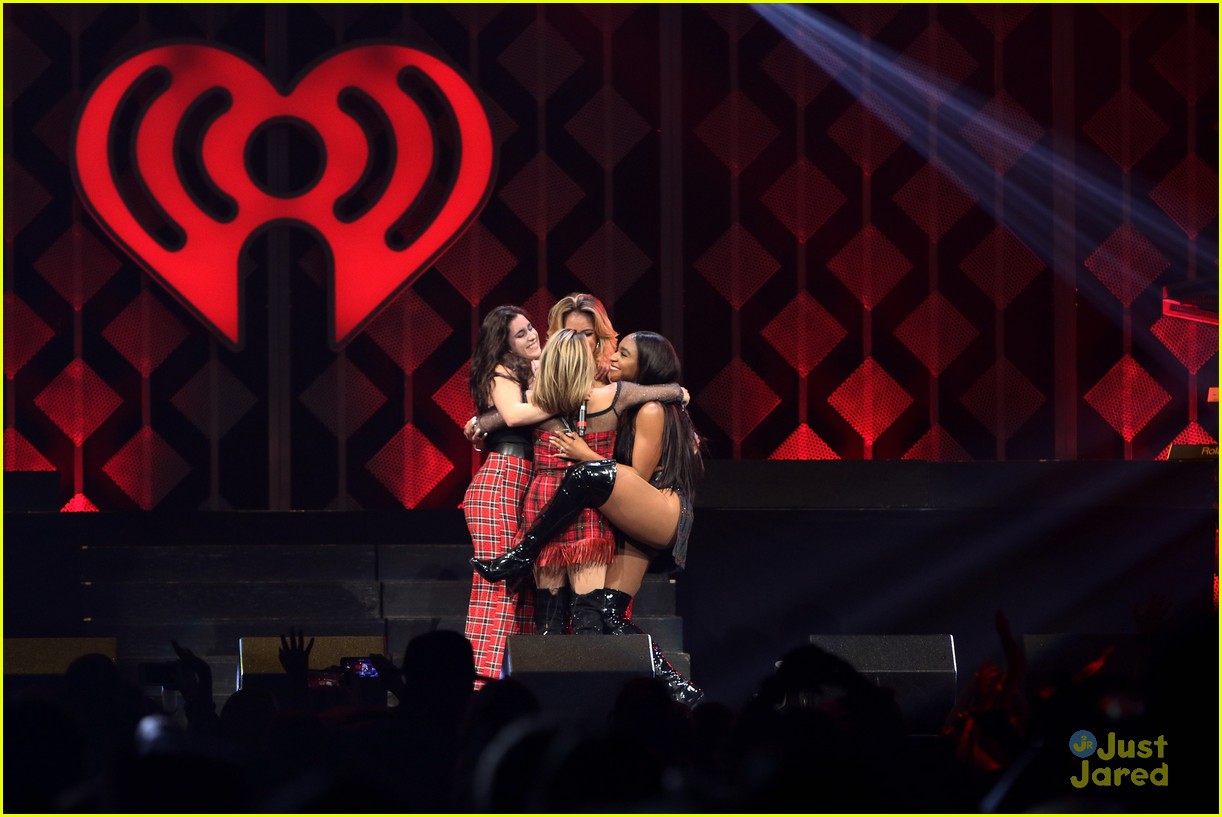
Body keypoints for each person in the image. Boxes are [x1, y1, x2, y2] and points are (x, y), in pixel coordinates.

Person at [473, 331, 704, 705]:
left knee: (585, 476)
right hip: (636, 518)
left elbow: (636, 481)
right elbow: (532, 408)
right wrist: (486, 421)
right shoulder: (624, 403)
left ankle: (521, 554)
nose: (610, 357)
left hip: (659, 510)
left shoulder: (649, 408)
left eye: (622, 354)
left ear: (643, 368)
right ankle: (680, 689)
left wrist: (584, 453)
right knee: (609, 615)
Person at [462, 305, 544, 683]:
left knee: (521, 587)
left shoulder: (534, 369)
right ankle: (481, 685)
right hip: (501, 482)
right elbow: (512, 415)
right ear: (504, 344)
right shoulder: (501, 372)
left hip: (523, 481)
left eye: (531, 328)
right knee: (499, 588)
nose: (532, 335)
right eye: (521, 333)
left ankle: (515, 684)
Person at [547, 293, 618, 386]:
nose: (580, 340)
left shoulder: (613, 372)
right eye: (571, 334)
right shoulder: (547, 372)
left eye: (587, 334)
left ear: (599, 336)